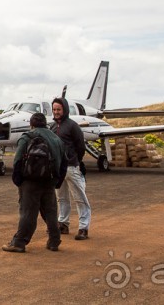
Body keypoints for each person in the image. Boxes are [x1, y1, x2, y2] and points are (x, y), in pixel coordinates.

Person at [2, 113, 67, 253]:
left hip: (30, 181)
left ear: (31, 124)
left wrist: (18, 180)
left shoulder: (27, 137)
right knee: (50, 211)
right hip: (49, 180)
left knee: (28, 212)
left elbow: (18, 160)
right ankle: (54, 241)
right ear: (45, 124)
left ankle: (19, 242)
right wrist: (57, 181)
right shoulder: (57, 139)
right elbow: (64, 162)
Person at [51, 97, 91, 240]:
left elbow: (80, 146)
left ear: (65, 110)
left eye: (59, 109)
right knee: (61, 198)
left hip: (72, 167)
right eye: (54, 109)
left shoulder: (73, 126)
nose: (56, 112)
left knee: (80, 198)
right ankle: (63, 223)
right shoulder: (53, 127)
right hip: (58, 169)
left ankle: (83, 227)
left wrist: (76, 161)